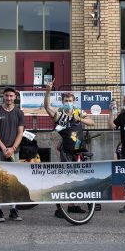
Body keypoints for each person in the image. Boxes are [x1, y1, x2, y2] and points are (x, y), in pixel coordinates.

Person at [44, 78, 95, 218]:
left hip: (80, 150)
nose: (68, 103)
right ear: (62, 102)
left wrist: (81, 119)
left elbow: (92, 122)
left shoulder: (78, 112)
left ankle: (74, 206)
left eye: (70, 100)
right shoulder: (59, 114)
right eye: (66, 100)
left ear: (74, 101)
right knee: (66, 178)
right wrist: (48, 92)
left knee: (79, 178)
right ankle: (61, 207)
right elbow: (47, 107)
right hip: (66, 151)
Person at [0, 87, 25, 222]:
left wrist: (13, 148)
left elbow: (20, 132)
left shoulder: (19, 113)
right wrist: (4, 148)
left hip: (14, 151)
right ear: (3, 96)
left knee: (13, 181)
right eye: (6, 96)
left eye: (11, 96)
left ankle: (13, 210)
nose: (8, 98)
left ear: (14, 97)